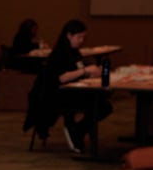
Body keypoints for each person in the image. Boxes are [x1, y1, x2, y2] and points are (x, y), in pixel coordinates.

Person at [23, 19, 112, 153]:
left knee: (104, 105)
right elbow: (61, 77)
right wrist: (85, 71)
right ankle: (75, 131)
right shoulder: (58, 54)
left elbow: (77, 71)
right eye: (79, 37)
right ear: (69, 35)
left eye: (83, 37)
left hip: (71, 91)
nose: (81, 41)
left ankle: (78, 130)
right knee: (98, 105)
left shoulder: (75, 52)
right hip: (55, 95)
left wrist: (92, 73)